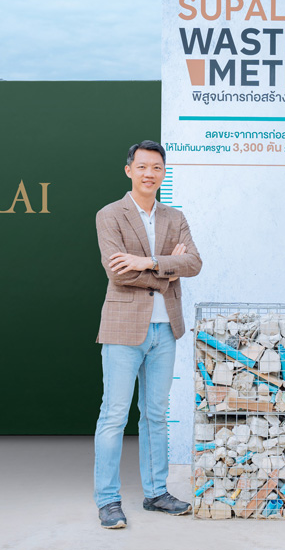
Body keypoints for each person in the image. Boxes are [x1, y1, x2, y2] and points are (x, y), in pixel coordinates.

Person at [93, 140, 202, 529]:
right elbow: (117, 272)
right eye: (142, 167)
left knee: (156, 414)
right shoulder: (110, 214)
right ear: (129, 170)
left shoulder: (175, 216)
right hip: (123, 328)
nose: (149, 173)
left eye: (156, 167)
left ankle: (156, 493)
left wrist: (148, 261)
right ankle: (108, 500)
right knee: (114, 415)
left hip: (165, 330)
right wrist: (167, 270)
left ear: (163, 172)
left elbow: (194, 262)